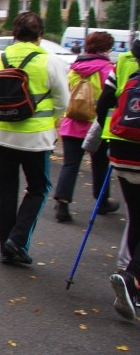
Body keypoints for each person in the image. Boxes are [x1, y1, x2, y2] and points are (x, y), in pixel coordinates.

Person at [0, 11, 69, 266]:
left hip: (1, 135)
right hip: (35, 138)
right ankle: (18, 239)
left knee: (7, 191)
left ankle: (5, 247)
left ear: (14, 34)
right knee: (38, 188)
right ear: (40, 35)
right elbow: (63, 101)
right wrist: (50, 118)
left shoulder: (0, 59)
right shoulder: (49, 61)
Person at [93, 38, 140, 320]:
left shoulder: (126, 70)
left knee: (136, 216)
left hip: (121, 152)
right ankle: (132, 277)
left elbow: (103, 105)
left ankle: (132, 284)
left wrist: (109, 132)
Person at [53, 31, 117, 222]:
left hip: (72, 123)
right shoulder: (108, 69)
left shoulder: (74, 68)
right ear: (105, 49)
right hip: (96, 124)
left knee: (70, 165)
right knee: (100, 164)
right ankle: (102, 201)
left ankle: (62, 204)